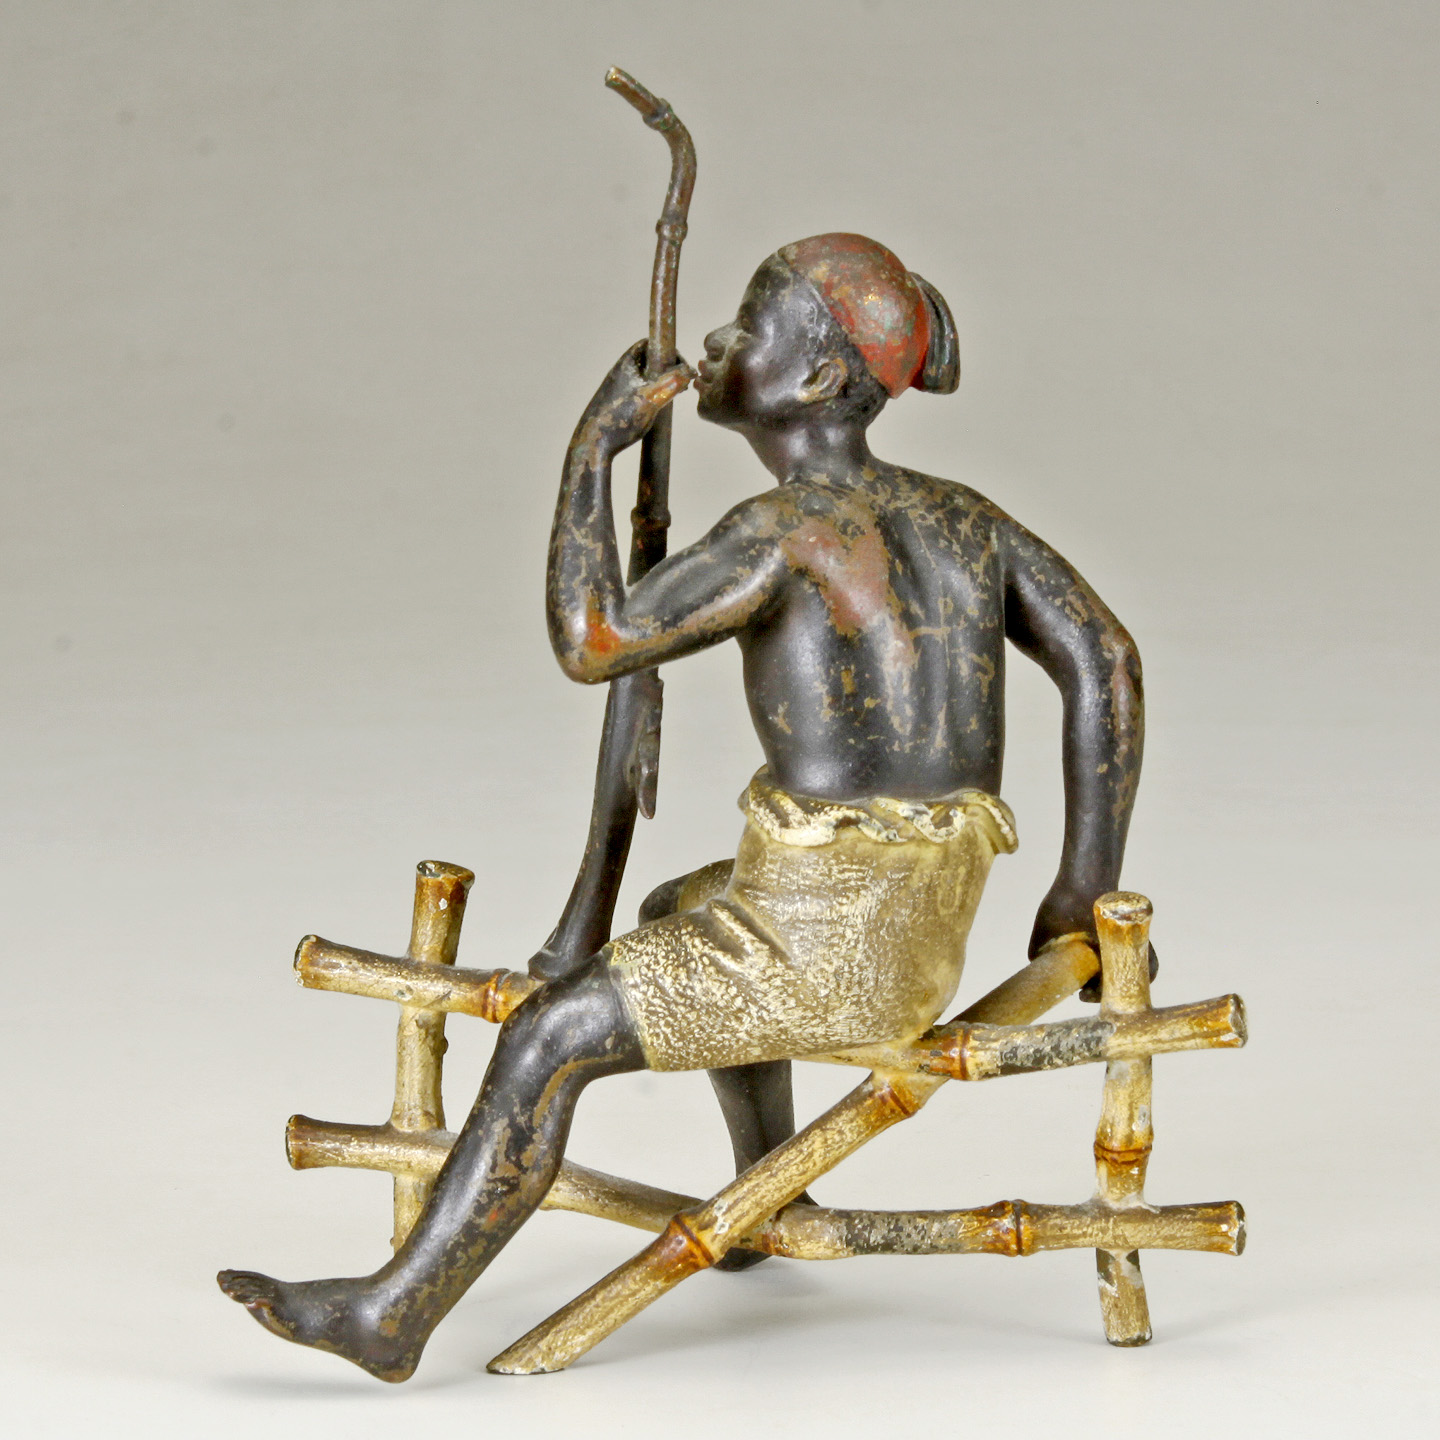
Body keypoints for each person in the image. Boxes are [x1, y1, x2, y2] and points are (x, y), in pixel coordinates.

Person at [219, 233, 1144, 1381]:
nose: (712, 341)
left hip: (835, 955)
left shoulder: (786, 530)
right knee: (675, 906)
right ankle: (764, 1197)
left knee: (548, 1038)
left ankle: (393, 1315)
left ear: (817, 376)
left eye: (747, 328)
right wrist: (1083, 882)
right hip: (917, 930)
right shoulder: (964, 520)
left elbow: (594, 641)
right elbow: (1107, 659)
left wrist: (591, 452)